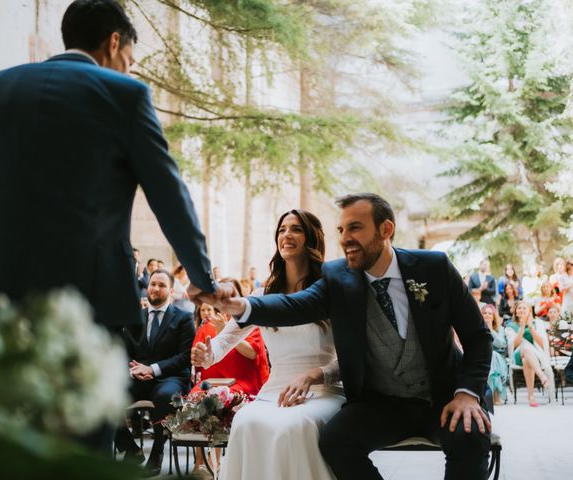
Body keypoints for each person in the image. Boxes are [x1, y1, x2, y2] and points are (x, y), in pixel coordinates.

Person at [0, 0, 216, 330]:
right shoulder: (127, 96)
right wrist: (200, 276)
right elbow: (169, 196)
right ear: (113, 42)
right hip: (89, 299)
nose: (126, 71)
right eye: (127, 62)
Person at [214, 194, 492, 480]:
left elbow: (478, 337)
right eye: (341, 230)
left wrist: (467, 394)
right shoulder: (337, 277)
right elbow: (294, 306)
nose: (345, 238)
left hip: (445, 398)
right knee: (336, 440)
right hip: (383, 404)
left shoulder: (433, 268)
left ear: (386, 230)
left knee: (469, 436)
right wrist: (239, 305)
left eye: (355, 228)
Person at [193, 209, 344, 480]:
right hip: (274, 390)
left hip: (324, 390)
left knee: (294, 426)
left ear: (311, 239)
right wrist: (207, 354)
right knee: (246, 421)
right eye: (282, 229)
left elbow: (350, 356)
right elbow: (225, 340)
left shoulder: (330, 291)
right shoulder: (263, 295)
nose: (287, 234)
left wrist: (317, 375)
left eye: (296, 229)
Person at [115, 270, 195, 476]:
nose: (155, 288)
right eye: (152, 284)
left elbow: (185, 356)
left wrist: (153, 369)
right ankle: (131, 448)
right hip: (139, 376)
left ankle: (157, 453)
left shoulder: (184, 318)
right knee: (107, 393)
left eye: (161, 285)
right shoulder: (135, 318)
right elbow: (125, 352)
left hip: (172, 376)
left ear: (170, 290)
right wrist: (132, 370)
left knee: (165, 396)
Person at [189, 278, 269, 476]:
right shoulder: (206, 326)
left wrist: (222, 331)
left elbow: (253, 353)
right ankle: (198, 461)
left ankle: (214, 461)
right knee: (194, 397)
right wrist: (199, 354)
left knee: (216, 401)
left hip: (241, 380)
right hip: (211, 381)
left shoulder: (249, 321)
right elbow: (199, 358)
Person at [505, 301, 553, 407]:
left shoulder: (537, 323)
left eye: (524, 308)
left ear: (529, 311)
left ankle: (531, 396)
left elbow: (542, 344)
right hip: (518, 354)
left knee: (526, 360)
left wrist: (530, 327)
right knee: (526, 349)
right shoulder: (510, 326)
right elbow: (514, 345)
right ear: (516, 312)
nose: (521, 310)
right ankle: (542, 376)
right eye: (519, 308)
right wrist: (522, 328)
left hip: (536, 356)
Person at [480, 305, 507, 405]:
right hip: (481, 355)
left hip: (498, 358)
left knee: (493, 356)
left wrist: (490, 329)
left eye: (490, 313)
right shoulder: (477, 327)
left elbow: (501, 344)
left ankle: (491, 395)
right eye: (484, 313)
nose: (487, 315)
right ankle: (494, 395)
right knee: (490, 356)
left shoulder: (500, 329)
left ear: (493, 316)